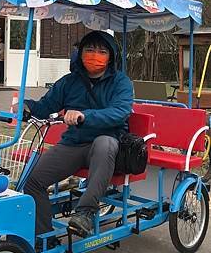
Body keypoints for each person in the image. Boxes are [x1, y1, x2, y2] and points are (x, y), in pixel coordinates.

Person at [21, 30, 133, 240]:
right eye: (89, 49)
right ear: (80, 54)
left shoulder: (121, 82)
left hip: (105, 145)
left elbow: (120, 112)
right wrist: (25, 106)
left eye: (102, 51)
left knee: (105, 143)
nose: (95, 55)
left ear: (111, 57)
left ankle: (85, 213)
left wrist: (84, 115)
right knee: (33, 181)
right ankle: (44, 238)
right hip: (74, 143)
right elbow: (45, 107)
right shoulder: (68, 82)